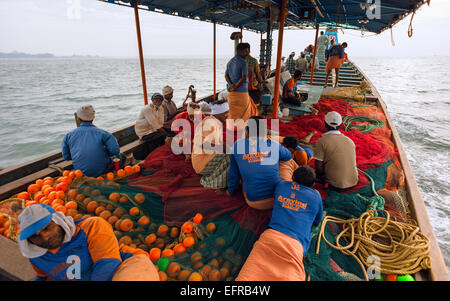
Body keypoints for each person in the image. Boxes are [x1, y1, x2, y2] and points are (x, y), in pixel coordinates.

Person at [17, 204, 159, 281]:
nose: (45, 238)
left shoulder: (92, 227)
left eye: (47, 228)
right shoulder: (36, 255)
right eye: (35, 236)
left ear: (59, 222)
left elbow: (107, 265)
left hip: (127, 265)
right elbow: (43, 278)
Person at [236, 166, 323, 281]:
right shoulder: (316, 196)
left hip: (270, 238)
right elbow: (317, 220)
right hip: (294, 247)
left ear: (292, 178)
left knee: (248, 277)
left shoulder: (281, 186)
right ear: (312, 185)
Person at [227, 116, 293, 210]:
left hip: (253, 202)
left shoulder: (238, 145)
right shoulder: (273, 144)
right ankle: (289, 186)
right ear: (264, 131)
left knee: (245, 169)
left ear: (247, 131)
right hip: (279, 199)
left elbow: (234, 175)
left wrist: (230, 191)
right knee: (285, 161)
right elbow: (288, 156)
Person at [62, 104, 124, 178]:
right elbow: (115, 151)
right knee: (122, 156)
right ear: (93, 117)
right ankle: (119, 175)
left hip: (80, 172)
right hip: (102, 169)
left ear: (78, 118)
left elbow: (66, 157)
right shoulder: (103, 133)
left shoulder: (68, 136)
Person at [314, 111, 358, 192]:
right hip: (353, 182)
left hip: (334, 186)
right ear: (340, 125)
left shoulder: (321, 141)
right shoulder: (350, 141)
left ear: (325, 124)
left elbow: (319, 168)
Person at [191, 99, 231, 189]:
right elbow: (202, 144)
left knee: (231, 152)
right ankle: (211, 183)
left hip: (207, 158)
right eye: (226, 112)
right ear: (218, 113)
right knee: (231, 157)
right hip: (201, 163)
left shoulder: (215, 122)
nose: (228, 115)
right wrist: (224, 148)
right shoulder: (211, 123)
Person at [134, 93, 175, 160]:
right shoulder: (147, 109)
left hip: (153, 130)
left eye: (159, 100)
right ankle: (159, 152)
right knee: (163, 136)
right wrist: (167, 134)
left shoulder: (160, 107)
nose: (157, 102)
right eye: (155, 100)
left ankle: (163, 149)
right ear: (152, 100)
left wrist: (168, 132)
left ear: (162, 101)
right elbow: (155, 125)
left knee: (172, 132)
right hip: (144, 132)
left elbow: (160, 123)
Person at [225, 42, 258, 126]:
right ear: (238, 51)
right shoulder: (244, 63)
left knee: (233, 113)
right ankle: (241, 129)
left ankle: (232, 128)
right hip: (241, 93)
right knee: (244, 113)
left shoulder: (230, 62)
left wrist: (231, 85)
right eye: (245, 51)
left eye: (248, 51)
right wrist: (235, 86)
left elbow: (226, 75)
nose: (247, 53)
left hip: (232, 94)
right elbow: (243, 78)